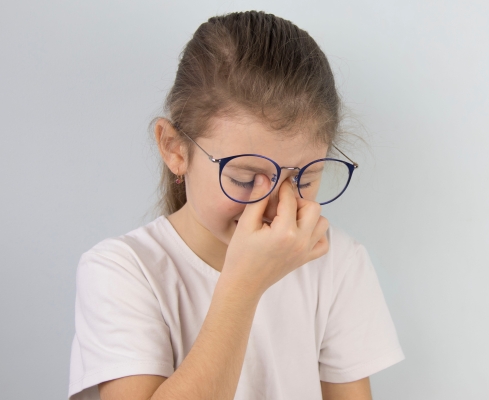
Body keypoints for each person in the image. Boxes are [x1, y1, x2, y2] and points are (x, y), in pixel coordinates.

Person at [67, 10, 404, 400]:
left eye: (305, 178)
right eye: (245, 179)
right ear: (175, 149)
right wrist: (244, 285)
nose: (279, 204)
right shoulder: (122, 271)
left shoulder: (337, 262)